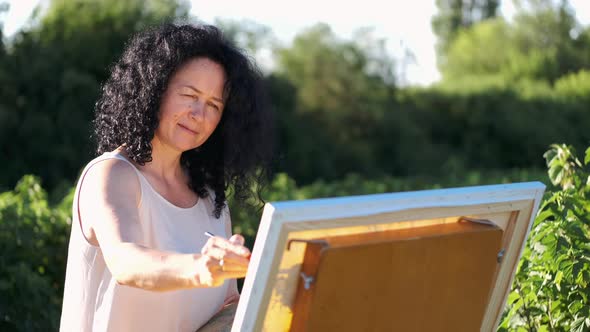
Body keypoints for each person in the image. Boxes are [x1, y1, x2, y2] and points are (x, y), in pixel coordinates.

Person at [59, 23, 273, 332]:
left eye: (214, 105)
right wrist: (199, 268)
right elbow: (127, 262)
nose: (199, 113)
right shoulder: (111, 175)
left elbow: (226, 308)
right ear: (154, 89)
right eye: (189, 95)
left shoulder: (211, 197)